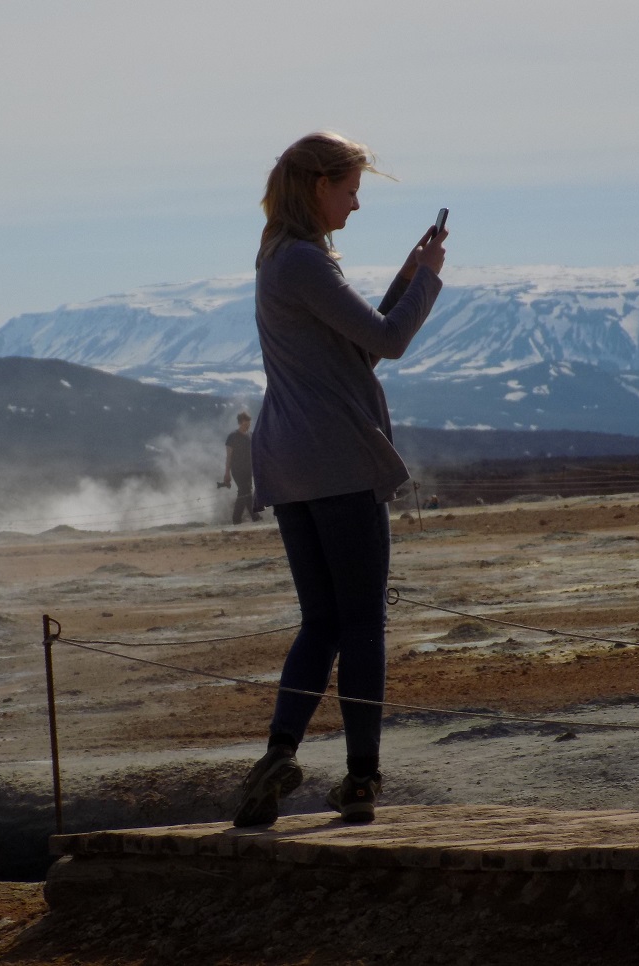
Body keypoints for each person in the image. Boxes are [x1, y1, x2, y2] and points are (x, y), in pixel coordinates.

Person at [232, 132, 447, 827]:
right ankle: (360, 779)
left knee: (322, 619)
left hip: (290, 463)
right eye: (350, 188)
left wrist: (406, 282)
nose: (356, 203)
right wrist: (431, 281)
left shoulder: (281, 259)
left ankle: (277, 758)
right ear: (317, 184)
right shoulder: (303, 261)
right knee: (362, 623)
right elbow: (387, 341)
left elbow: (354, 348)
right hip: (336, 462)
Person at [222, 412, 262, 524]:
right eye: (245, 424)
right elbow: (228, 456)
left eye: (248, 424)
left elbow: (254, 453)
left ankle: (237, 519)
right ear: (240, 423)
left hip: (249, 469)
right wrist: (227, 473)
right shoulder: (232, 437)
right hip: (237, 470)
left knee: (245, 492)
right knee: (245, 490)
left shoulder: (250, 435)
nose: (247, 426)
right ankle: (254, 516)